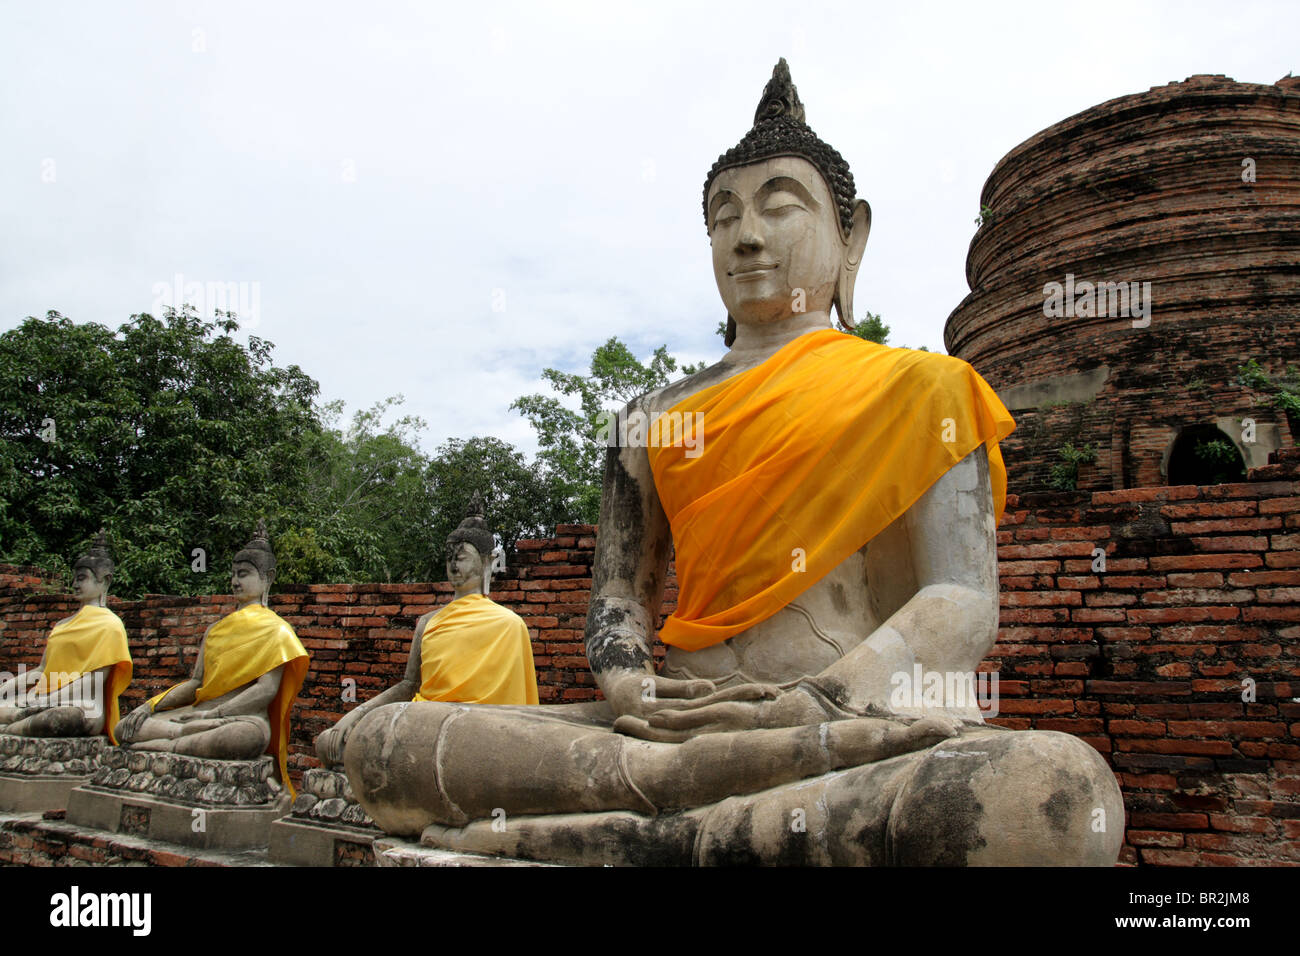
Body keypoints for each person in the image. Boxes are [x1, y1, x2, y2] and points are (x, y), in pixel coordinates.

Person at [344, 61, 1124, 866]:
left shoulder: (924, 388)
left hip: (849, 723)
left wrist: (816, 701)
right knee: (388, 742)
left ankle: (636, 828)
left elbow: (960, 599)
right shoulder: (649, 423)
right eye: (723, 216)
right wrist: (628, 687)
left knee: (1045, 793)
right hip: (665, 727)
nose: (746, 235)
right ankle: (694, 821)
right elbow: (619, 598)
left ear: (851, 233)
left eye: (780, 206)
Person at [314, 494, 537, 768]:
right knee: (329, 742)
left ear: (488, 561)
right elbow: (409, 685)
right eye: (449, 557)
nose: (454, 565)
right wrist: (355, 715)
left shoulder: (509, 624)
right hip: (424, 724)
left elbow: (516, 711)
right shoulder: (428, 622)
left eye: (463, 557)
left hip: (480, 732)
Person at [115, 521, 308, 795]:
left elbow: (266, 690)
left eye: (243, 574)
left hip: (238, 719)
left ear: (268, 577)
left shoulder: (277, 630)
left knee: (242, 740)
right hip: (197, 715)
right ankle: (177, 739)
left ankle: (167, 746)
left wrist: (215, 714)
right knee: (126, 727)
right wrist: (149, 706)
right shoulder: (215, 630)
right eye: (233, 574)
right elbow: (196, 683)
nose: (234, 581)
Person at [0, 530, 132, 742]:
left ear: (105, 580)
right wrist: (5, 688)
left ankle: (10, 729)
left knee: (57, 719)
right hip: (40, 697)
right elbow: (41, 670)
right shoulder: (62, 625)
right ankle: (19, 721)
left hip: (81, 705)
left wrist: (47, 700)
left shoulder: (110, 624)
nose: (75, 584)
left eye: (82, 578)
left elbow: (95, 679)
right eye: (74, 579)